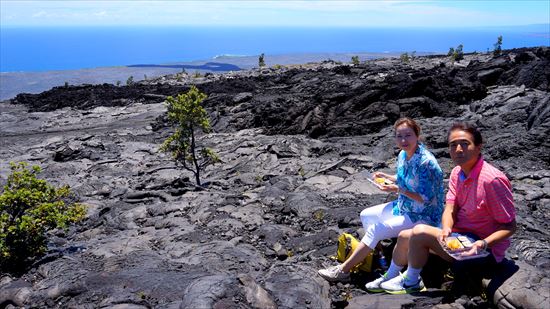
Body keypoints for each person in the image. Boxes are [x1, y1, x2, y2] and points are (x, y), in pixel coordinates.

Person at [378, 122, 516, 295]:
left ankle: (411, 281)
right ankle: (391, 276)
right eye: (453, 145)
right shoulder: (457, 173)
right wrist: (446, 228)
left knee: (419, 232)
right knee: (405, 235)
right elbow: (450, 207)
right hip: (461, 239)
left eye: (465, 144)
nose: (458, 149)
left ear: (479, 147)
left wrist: (484, 243)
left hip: (484, 250)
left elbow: (510, 226)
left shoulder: (492, 181)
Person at [318, 117, 445, 290]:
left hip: (424, 214)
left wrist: (397, 189)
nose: (403, 140)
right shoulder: (403, 155)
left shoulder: (426, 163)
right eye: (399, 136)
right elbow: (404, 179)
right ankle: (381, 258)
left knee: (375, 229)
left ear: (417, 135)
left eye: (408, 135)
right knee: (366, 215)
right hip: (404, 206)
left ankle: (343, 271)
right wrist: (386, 177)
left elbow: (427, 198)